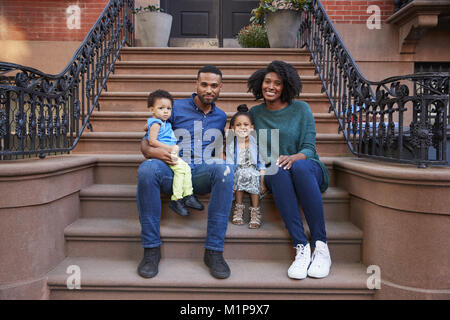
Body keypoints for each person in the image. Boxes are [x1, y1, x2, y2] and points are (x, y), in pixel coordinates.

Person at [137, 65, 234, 280]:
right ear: (196, 84)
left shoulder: (220, 117)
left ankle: (214, 251)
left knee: (226, 169)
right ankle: (151, 249)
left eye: (214, 86)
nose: (209, 90)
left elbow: (218, 149)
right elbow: (146, 147)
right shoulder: (174, 108)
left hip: (200, 172)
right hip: (172, 168)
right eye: (204, 84)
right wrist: (158, 154)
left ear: (220, 88)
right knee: (147, 170)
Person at [247, 60, 332, 279]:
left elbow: (309, 148)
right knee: (278, 169)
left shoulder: (301, 109)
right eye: (267, 82)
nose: (271, 87)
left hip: (307, 169)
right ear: (260, 84)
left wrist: (294, 157)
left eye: (277, 83)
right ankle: (301, 247)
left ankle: (321, 246)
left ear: (286, 86)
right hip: (278, 174)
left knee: (299, 167)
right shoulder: (254, 113)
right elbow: (249, 146)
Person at [145, 89, 203, 217]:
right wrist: (170, 148)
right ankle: (176, 199)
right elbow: (152, 142)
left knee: (186, 168)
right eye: (161, 108)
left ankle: (188, 195)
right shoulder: (156, 123)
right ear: (151, 110)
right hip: (165, 153)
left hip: (171, 151)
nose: (166, 111)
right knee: (180, 171)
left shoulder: (162, 122)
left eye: (169, 108)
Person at [226, 104, 266, 229]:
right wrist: (230, 181)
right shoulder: (231, 145)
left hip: (253, 171)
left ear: (252, 127)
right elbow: (230, 163)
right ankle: (238, 209)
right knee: (240, 174)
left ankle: (255, 211)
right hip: (238, 171)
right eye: (238, 125)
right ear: (232, 129)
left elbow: (261, 164)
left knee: (253, 175)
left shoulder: (256, 143)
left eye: (246, 125)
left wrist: (262, 182)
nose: (242, 128)